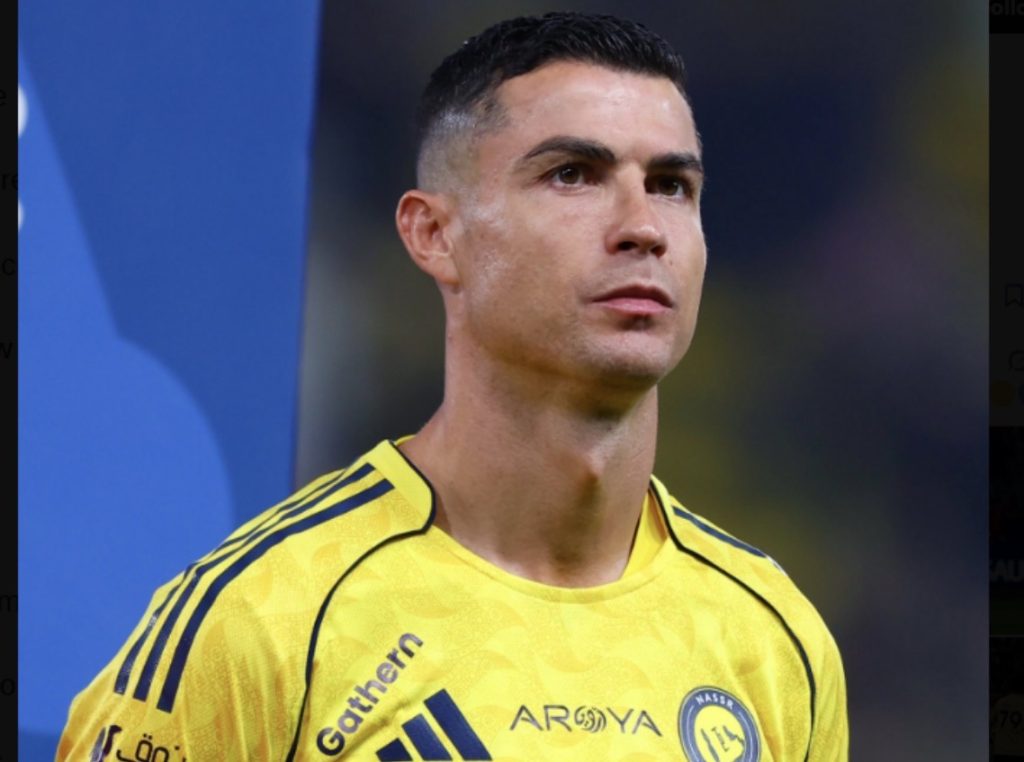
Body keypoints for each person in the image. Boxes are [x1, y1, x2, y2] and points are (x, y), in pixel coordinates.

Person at [58, 11, 848, 761]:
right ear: (434, 234)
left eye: (672, 185)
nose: (643, 227)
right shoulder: (263, 620)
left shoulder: (774, 640)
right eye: (573, 175)